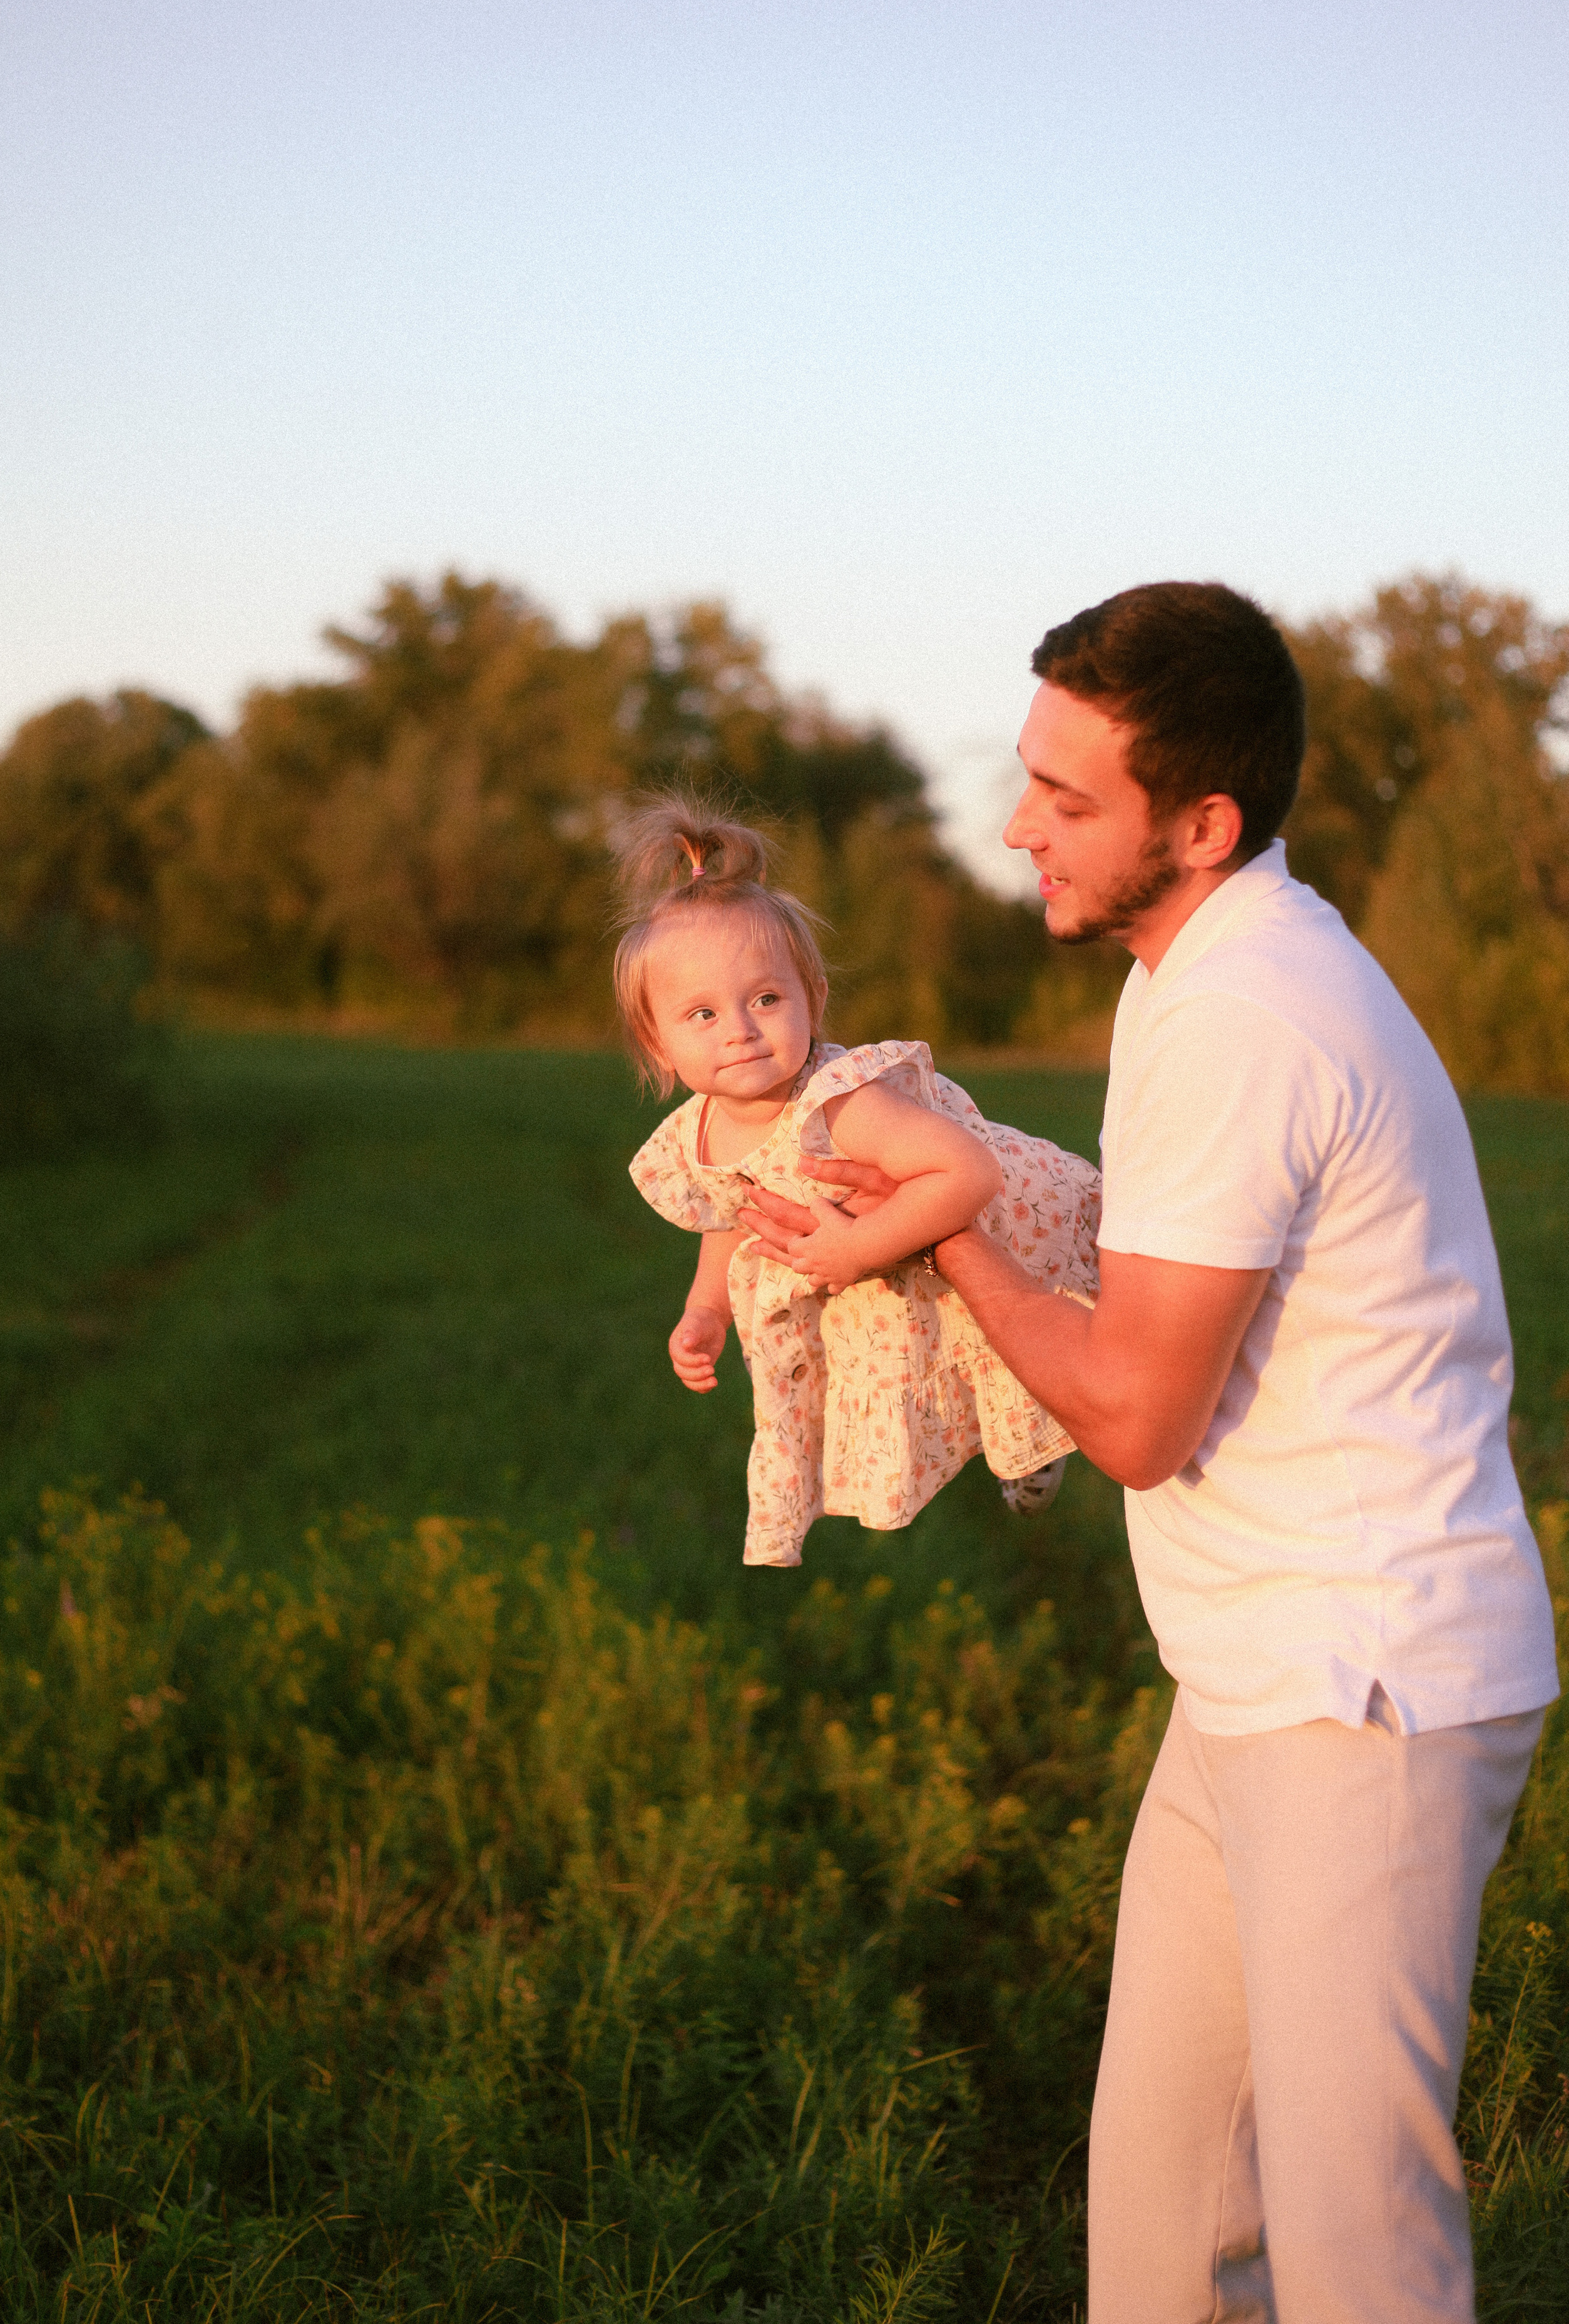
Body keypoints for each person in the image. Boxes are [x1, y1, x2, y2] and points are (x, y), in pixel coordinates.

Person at [739, 582, 1560, 2323]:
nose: (1018, 821)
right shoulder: (1193, 975)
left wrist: (942, 1228)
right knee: (1174, 2236)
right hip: (1251, 1671)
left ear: (1199, 824)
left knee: (1359, 2253)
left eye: (1068, 797)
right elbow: (1156, 1274)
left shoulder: (1251, 1014)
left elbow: (1132, 1415)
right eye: (1025, 773)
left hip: (1368, 1690)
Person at [615, 792, 1100, 1567]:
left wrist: (859, 1250)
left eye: (766, 999)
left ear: (813, 1000)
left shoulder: (838, 1106)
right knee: (940, 1361)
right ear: (658, 1040)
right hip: (886, 1262)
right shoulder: (699, 1129)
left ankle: (1043, 1438)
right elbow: (729, 1211)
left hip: (1011, 1226)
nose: (740, 1029)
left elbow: (968, 1175)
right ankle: (1027, 1437)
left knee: (1018, 1347)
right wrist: (706, 1310)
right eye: (702, 1015)